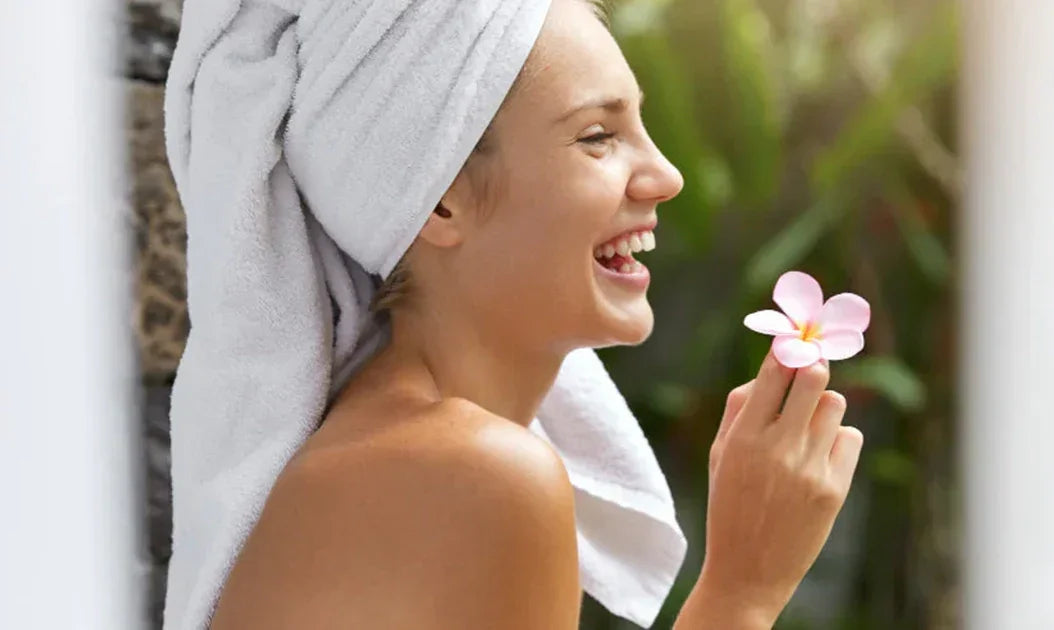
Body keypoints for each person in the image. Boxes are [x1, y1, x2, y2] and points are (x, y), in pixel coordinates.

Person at [172, 0, 863, 628]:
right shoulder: (477, 475)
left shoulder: (395, 448)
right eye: (598, 136)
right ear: (442, 198)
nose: (665, 174)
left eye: (639, 127)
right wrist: (744, 587)